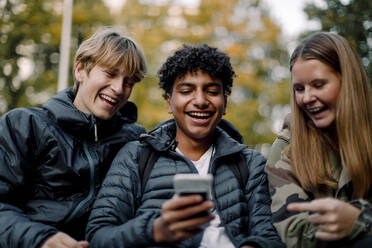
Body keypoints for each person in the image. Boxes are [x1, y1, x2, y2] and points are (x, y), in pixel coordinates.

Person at [86, 44, 284, 248]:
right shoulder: (136, 156)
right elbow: (98, 235)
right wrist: (153, 230)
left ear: (224, 102)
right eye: (187, 90)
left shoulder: (251, 164)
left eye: (212, 91)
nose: (200, 100)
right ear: (169, 102)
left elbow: (270, 237)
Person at [0, 27, 147, 248]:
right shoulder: (24, 125)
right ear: (80, 69)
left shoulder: (135, 142)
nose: (119, 88)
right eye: (110, 73)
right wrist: (41, 239)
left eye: (129, 82)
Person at [265, 32, 372, 248]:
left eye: (319, 85)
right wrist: (349, 224)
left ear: (347, 82)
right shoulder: (288, 147)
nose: (307, 98)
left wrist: (360, 218)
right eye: (299, 89)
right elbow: (294, 231)